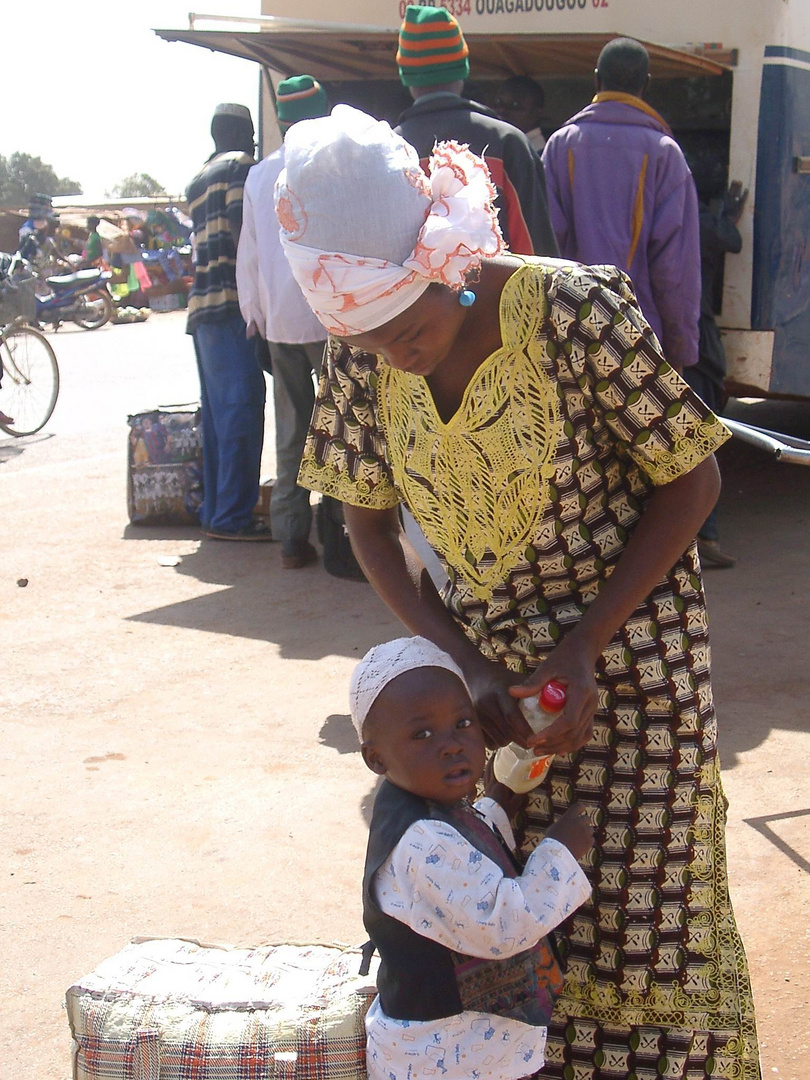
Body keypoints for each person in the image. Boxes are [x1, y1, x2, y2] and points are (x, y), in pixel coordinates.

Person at [277, 105, 761, 1080]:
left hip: (632, 672)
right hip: (493, 706)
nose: (395, 355)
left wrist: (583, 642)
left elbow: (693, 479)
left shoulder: (581, 311)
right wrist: (464, 662)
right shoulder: (361, 356)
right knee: (510, 929)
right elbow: (364, 521)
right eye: (370, 342)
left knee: (642, 924)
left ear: (449, 262)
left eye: (408, 329)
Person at [351, 635, 593, 1080]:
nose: (451, 744)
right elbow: (504, 922)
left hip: (460, 1050)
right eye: (422, 733)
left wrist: (499, 799)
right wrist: (560, 852)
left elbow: (466, 856)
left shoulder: (419, 808)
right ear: (376, 758)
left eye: (463, 723)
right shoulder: (419, 843)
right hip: (448, 1056)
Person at [542, 37, 700, 373]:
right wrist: (681, 350)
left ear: (596, 79)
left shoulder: (560, 146)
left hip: (568, 332)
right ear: (647, 85)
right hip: (640, 338)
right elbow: (674, 269)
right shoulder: (664, 153)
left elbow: (543, 247)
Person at [237, 75, 332, 569]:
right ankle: (343, 537)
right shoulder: (330, 166)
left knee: (292, 428)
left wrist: (253, 316)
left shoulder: (259, 174)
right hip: (330, 317)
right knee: (343, 428)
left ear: (280, 120)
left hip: (277, 322)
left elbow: (248, 255)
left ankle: (292, 536)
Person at [395, 5, 557, 258]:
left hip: (412, 299)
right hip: (499, 298)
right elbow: (538, 258)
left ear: (406, 77)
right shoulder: (508, 143)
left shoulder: (389, 150)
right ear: (463, 70)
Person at [186, 103, 270, 541]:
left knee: (219, 416)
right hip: (232, 304)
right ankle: (233, 517)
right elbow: (244, 234)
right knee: (243, 408)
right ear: (245, 135)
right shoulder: (241, 168)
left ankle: (217, 513)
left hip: (201, 309)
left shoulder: (198, 177)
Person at [685, 174, 749, 569]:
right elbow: (731, 240)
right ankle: (703, 533)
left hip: (678, 330)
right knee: (700, 438)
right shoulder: (694, 215)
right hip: (696, 334)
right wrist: (722, 212)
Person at [494, 75, 547, 153]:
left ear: (537, 112)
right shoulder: (501, 146)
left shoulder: (540, 155)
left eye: (515, 105)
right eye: (499, 102)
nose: (502, 110)